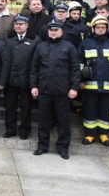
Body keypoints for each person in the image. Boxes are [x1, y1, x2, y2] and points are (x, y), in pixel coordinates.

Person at [30, 21, 80, 159]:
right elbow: (34, 68)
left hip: (62, 90)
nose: (53, 32)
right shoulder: (41, 47)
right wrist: (34, 86)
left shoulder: (69, 47)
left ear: (61, 31)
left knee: (63, 121)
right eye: (51, 30)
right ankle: (42, 146)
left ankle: (63, 148)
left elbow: (75, 70)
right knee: (43, 120)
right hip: (44, 89)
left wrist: (74, 87)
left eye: (56, 30)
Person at [78, 15, 109, 146]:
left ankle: (104, 134)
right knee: (90, 110)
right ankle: (89, 134)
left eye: (103, 27)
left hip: (108, 87)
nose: (100, 29)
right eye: (98, 27)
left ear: (107, 29)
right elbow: (79, 64)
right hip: (89, 87)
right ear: (93, 28)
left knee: (105, 110)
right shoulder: (85, 44)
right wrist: (80, 81)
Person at [4, 15, 38, 140]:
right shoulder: (8, 39)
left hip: (26, 81)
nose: (18, 26)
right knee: (10, 106)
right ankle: (10, 130)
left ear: (27, 26)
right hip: (10, 80)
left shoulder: (35, 40)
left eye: (21, 24)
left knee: (26, 107)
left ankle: (24, 131)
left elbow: (35, 63)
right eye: (16, 24)